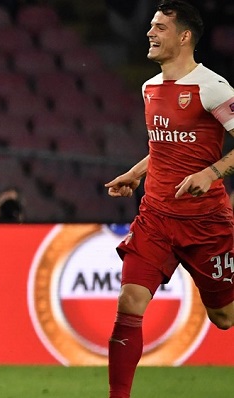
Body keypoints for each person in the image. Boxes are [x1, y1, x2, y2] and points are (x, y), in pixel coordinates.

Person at [104, 1, 234, 397]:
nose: (150, 32)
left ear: (184, 36)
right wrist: (136, 172)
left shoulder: (213, 87)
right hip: (155, 217)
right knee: (129, 301)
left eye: (160, 27)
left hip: (205, 222)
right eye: (150, 25)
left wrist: (210, 173)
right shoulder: (150, 88)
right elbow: (163, 147)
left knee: (224, 317)